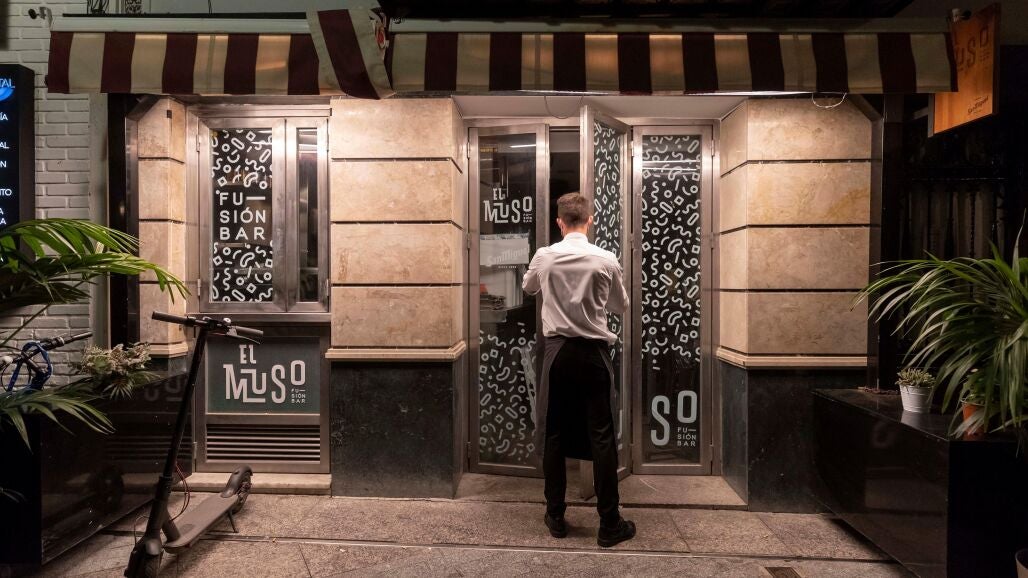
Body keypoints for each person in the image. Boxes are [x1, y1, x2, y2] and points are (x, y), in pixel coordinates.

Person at [522, 192, 635, 548]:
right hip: (593, 354)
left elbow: (528, 287)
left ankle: (555, 516)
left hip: (557, 353)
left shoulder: (545, 256)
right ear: (590, 220)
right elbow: (620, 306)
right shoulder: (605, 259)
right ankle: (610, 523)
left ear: (559, 222)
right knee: (602, 436)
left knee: (554, 434)